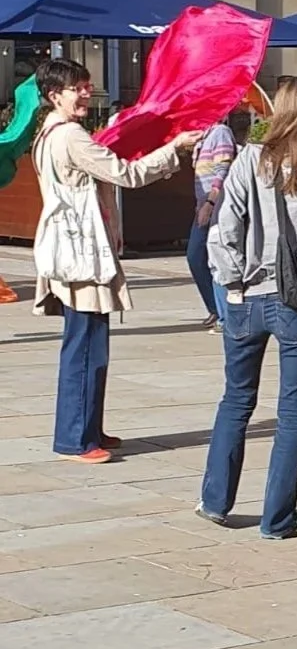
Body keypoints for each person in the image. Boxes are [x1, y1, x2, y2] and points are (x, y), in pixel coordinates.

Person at [200, 76, 297, 540]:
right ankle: (277, 520)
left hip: (246, 299)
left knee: (236, 400)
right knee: (293, 415)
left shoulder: (250, 161)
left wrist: (231, 285)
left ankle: (215, 501)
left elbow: (223, 230)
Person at [31, 58, 201, 463]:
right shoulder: (70, 135)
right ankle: (76, 438)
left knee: (87, 341)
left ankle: (87, 427)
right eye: (78, 88)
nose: (87, 93)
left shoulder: (49, 132)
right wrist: (173, 148)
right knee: (87, 344)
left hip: (70, 247)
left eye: (87, 85)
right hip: (80, 253)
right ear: (56, 95)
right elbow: (126, 174)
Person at [187, 117, 239, 328]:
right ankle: (215, 309)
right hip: (204, 205)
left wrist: (210, 201)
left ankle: (223, 313)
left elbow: (223, 171)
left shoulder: (220, 132)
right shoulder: (202, 138)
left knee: (209, 257)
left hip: (217, 206)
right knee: (197, 257)